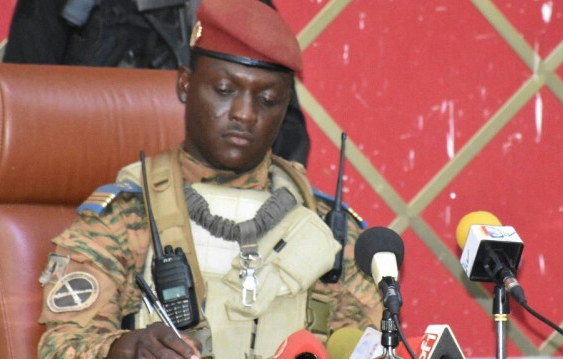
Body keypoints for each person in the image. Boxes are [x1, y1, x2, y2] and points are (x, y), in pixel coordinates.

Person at [37, 0, 382, 358]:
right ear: (186, 84)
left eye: (267, 99)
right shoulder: (125, 216)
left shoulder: (327, 228)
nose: (245, 114)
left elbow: (371, 345)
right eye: (224, 90)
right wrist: (124, 349)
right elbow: (60, 345)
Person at [3, 0, 310, 167]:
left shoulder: (238, 9)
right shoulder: (54, 8)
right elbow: (17, 120)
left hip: (204, 208)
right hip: (81, 208)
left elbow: (285, 135)